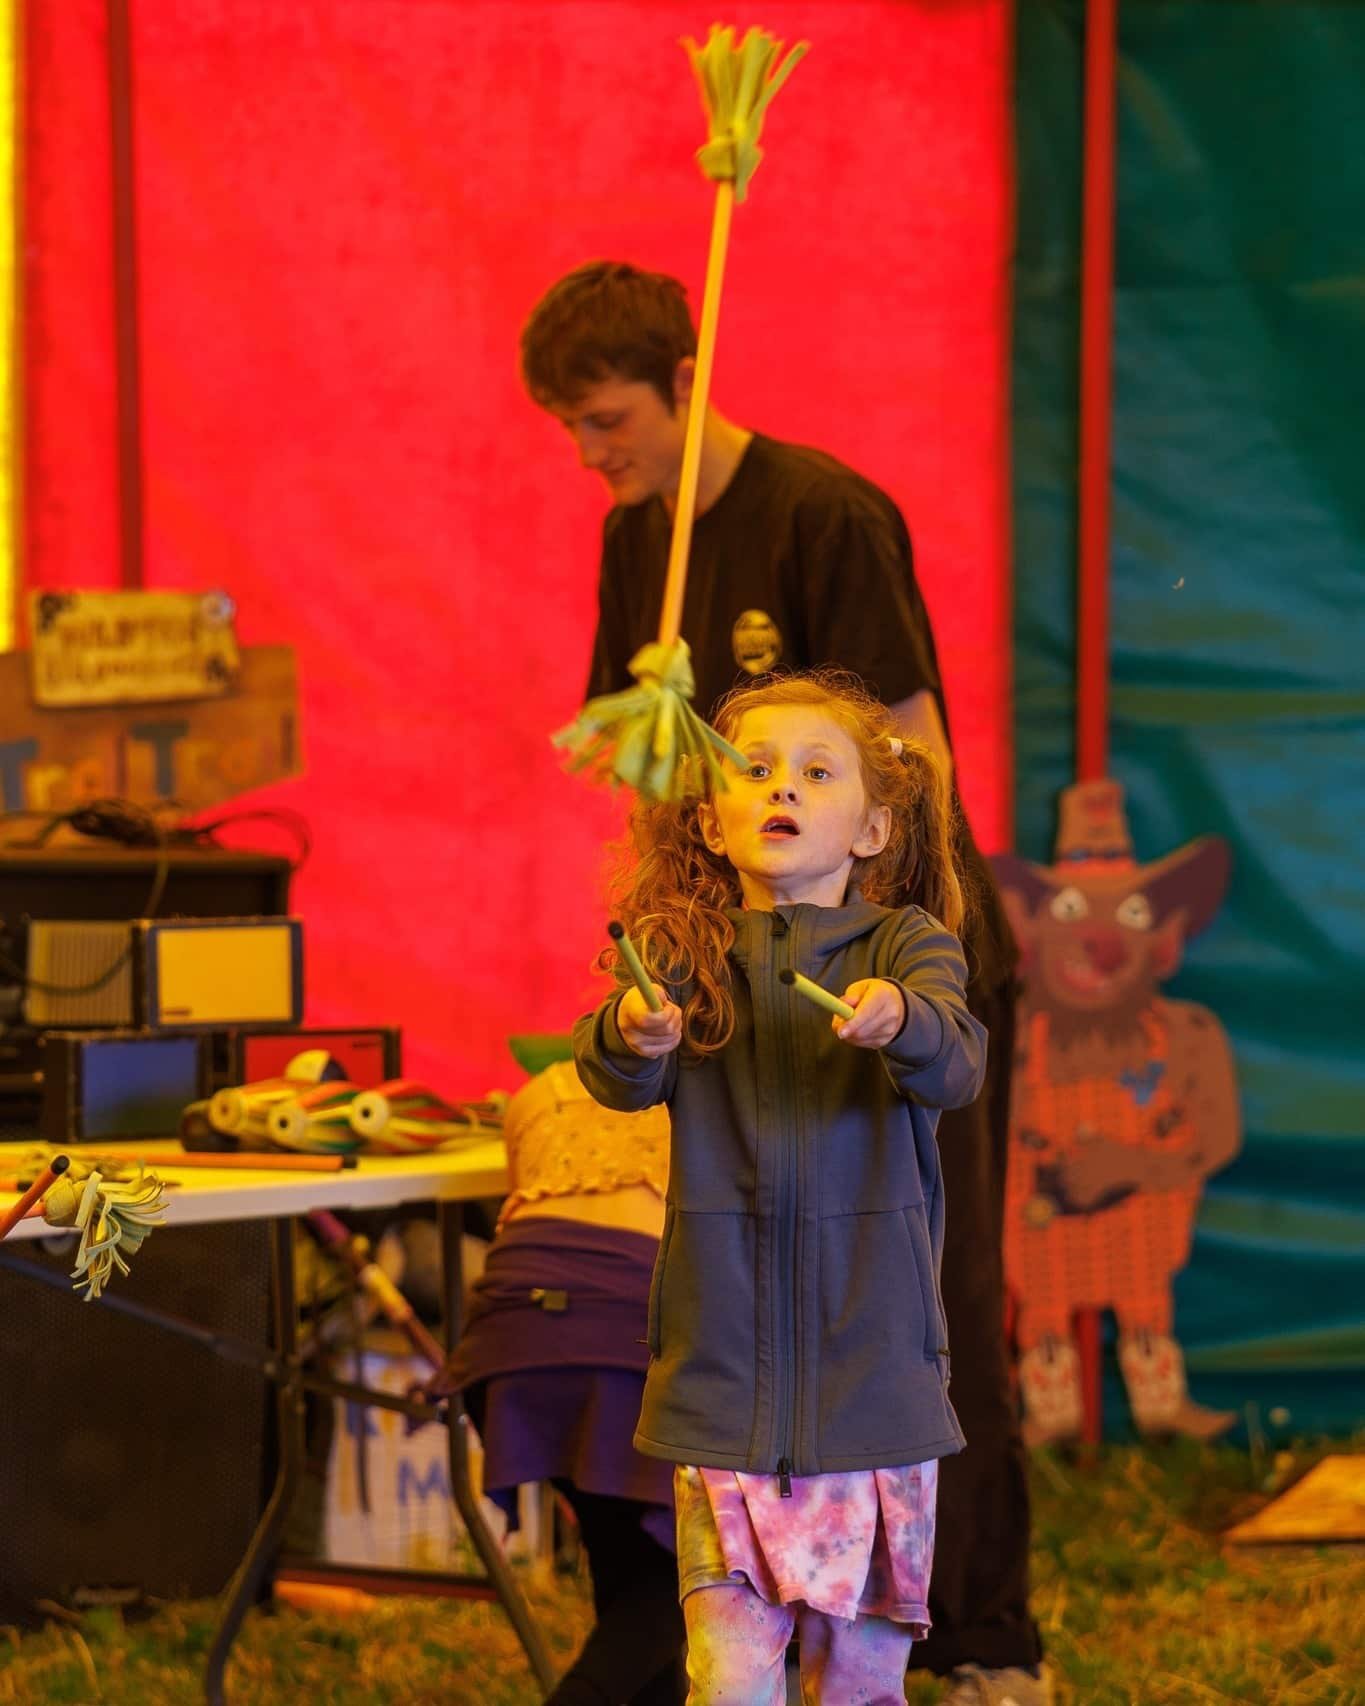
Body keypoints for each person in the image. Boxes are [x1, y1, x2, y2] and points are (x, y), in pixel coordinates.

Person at [523, 261, 1048, 1704]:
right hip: (748, 969)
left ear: (684, 385)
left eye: (611, 419)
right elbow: (653, 771)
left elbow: (913, 753)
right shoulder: (638, 538)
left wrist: (901, 961)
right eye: (571, 428)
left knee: (926, 1286)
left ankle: (981, 1634)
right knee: (753, 1278)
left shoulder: (824, 513)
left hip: (892, 951)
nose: (593, 452)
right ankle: (750, 1621)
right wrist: (666, 945)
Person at [574, 671, 985, 1704]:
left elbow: (956, 1062)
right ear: (712, 823)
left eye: (815, 771)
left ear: (873, 828)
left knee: (860, 1683)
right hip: (722, 1386)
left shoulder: (908, 945)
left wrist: (902, 1018)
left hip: (876, 1387)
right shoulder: (683, 954)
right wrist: (633, 1031)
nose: (781, 788)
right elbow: (615, 1074)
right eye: (752, 770)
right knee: (725, 1678)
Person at [437, 1058, 687, 1706]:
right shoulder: (711, 1087)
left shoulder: (539, 1090)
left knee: (630, 1562)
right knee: (686, 1583)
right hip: (624, 1332)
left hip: (507, 1335)